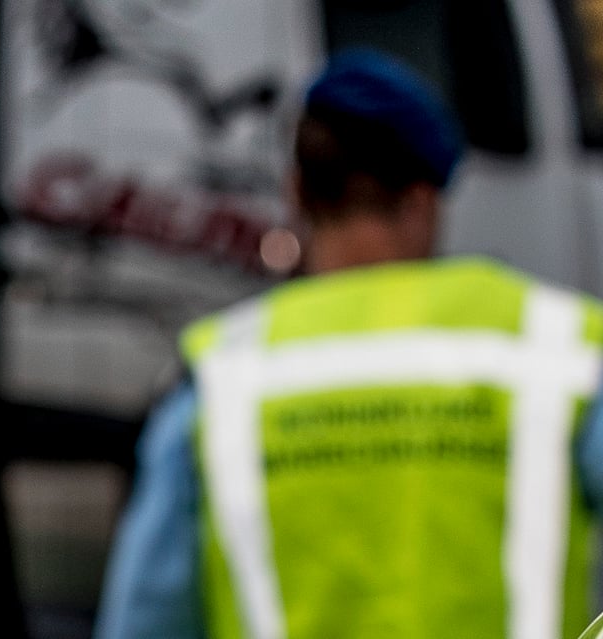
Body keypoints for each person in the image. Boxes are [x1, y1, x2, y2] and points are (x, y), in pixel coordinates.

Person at [95, 50, 603, 639]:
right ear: (422, 203)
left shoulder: (223, 378)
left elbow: (147, 619)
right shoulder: (551, 349)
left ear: (296, 193)